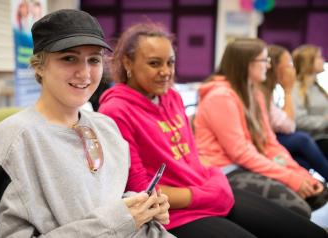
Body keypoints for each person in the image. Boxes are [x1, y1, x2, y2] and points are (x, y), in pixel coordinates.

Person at [99, 23, 328, 238]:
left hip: (206, 189)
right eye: (154, 63)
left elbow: (193, 157)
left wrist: (212, 181)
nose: (166, 72)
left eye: (170, 62)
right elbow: (141, 191)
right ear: (128, 63)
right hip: (173, 212)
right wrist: (207, 192)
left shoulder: (172, 97)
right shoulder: (116, 110)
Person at [0, 9, 173, 238]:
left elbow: (110, 206)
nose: (85, 73)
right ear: (39, 65)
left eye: (94, 59)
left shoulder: (107, 128)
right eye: (69, 58)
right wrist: (121, 220)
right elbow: (115, 222)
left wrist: (143, 208)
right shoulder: (13, 142)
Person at [194, 38, 326, 218]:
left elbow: (268, 143)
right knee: (298, 207)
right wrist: (290, 179)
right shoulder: (220, 97)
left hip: (244, 164)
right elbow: (241, 153)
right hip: (225, 170)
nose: (269, 66)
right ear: (246, 64)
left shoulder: (254, 93)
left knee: (316, 194)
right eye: (264, 60)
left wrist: (299, 173)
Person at [261, 44, 328, 184]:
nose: (292, 68)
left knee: (301, 161)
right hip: (314, 135)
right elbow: (290, 124)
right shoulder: (292, 89)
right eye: (289, 64)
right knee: (302, 139)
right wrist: (288, 90)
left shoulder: (318, 88)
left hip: (314, 134)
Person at [292, 44, 328, 158]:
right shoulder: (296, 89)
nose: (323, 60)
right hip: (314, 140)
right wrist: (325, 121)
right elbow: (299, 121)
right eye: (319, 57)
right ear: (308, 62)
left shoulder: (317, 88)